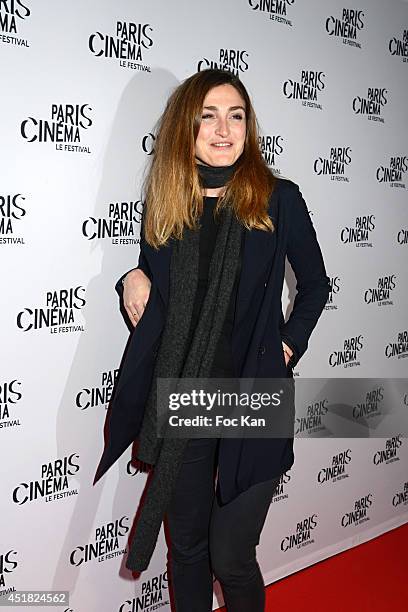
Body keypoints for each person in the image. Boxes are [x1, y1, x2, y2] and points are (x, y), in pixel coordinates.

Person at [94, 68, 330, 611]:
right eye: (209, 116)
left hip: (255, 397)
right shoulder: (167, 203)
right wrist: (134, 276)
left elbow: (315, 285)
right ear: (187, 126)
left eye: (236, 116)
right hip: (188, 398)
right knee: (189, 551)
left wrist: (288, 345)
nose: (223, 129)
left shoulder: (278, 200)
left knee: (231, 557)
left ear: (249, 128)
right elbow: (167, 281)